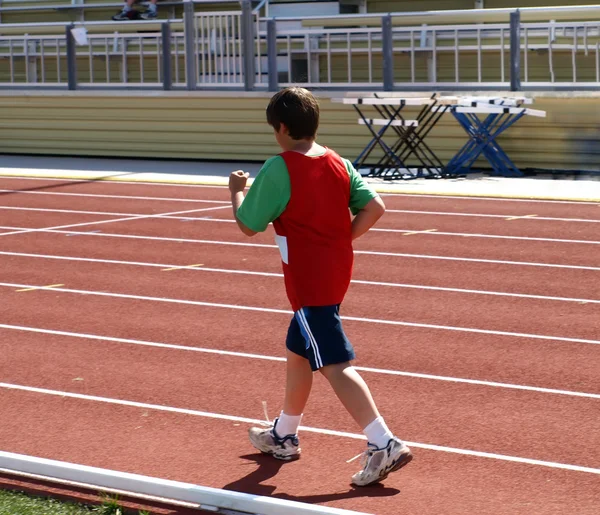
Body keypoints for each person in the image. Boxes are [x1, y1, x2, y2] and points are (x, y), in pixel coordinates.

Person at [228, 87, 413, 487]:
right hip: (335, 272)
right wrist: (342, 238)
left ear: (280, 128)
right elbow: (376, 207)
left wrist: (237, 190)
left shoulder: (280, 168)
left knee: (333, 363)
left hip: (309, 282)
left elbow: (248, 223)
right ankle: (284, 434)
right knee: (299, 352)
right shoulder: (339, 162)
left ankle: (384, 442)